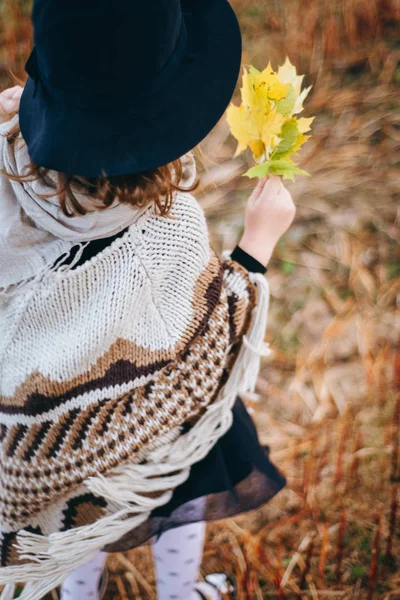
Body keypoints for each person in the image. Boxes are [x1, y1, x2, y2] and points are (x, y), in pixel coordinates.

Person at [0, 2, 295, 599]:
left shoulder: (7, 174)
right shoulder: (167, 229)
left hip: (44, 434)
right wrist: (257, 243)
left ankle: (80, 594)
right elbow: (207, 344)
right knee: (177, 479)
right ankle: (180, 593)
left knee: (79, 508)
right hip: (148, 422)